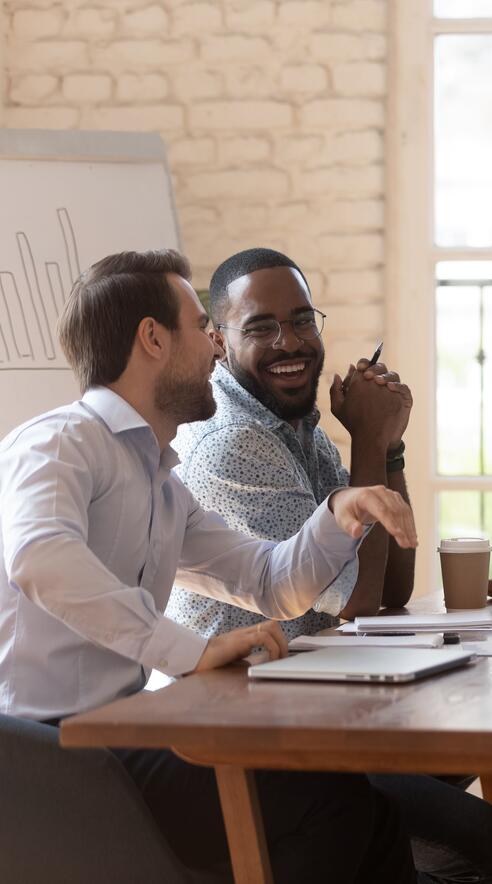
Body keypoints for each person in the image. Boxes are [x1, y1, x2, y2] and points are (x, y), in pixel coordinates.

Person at [0, 249, 426, 882]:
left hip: (114, 740)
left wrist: (341, 510)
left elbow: (271, 583)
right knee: (332, 805)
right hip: (45, 760)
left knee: (366, 811)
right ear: (152, 338)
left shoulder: (162, 482)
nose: (216, 348)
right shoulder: (60, 442)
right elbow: (38, 555)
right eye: (202, 328)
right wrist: (187, 649)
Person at [167, 247, 492, 884]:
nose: (289, 341)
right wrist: (367, 440)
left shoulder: (291, 421)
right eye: (262, 327)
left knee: (458, 755)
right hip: (252, 739)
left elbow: (394, 585)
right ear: (218, 342)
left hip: (321, 713)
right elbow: (354, 595)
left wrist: (389, 448)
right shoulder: (232, 441)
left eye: (303, 320)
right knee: (481, 841)